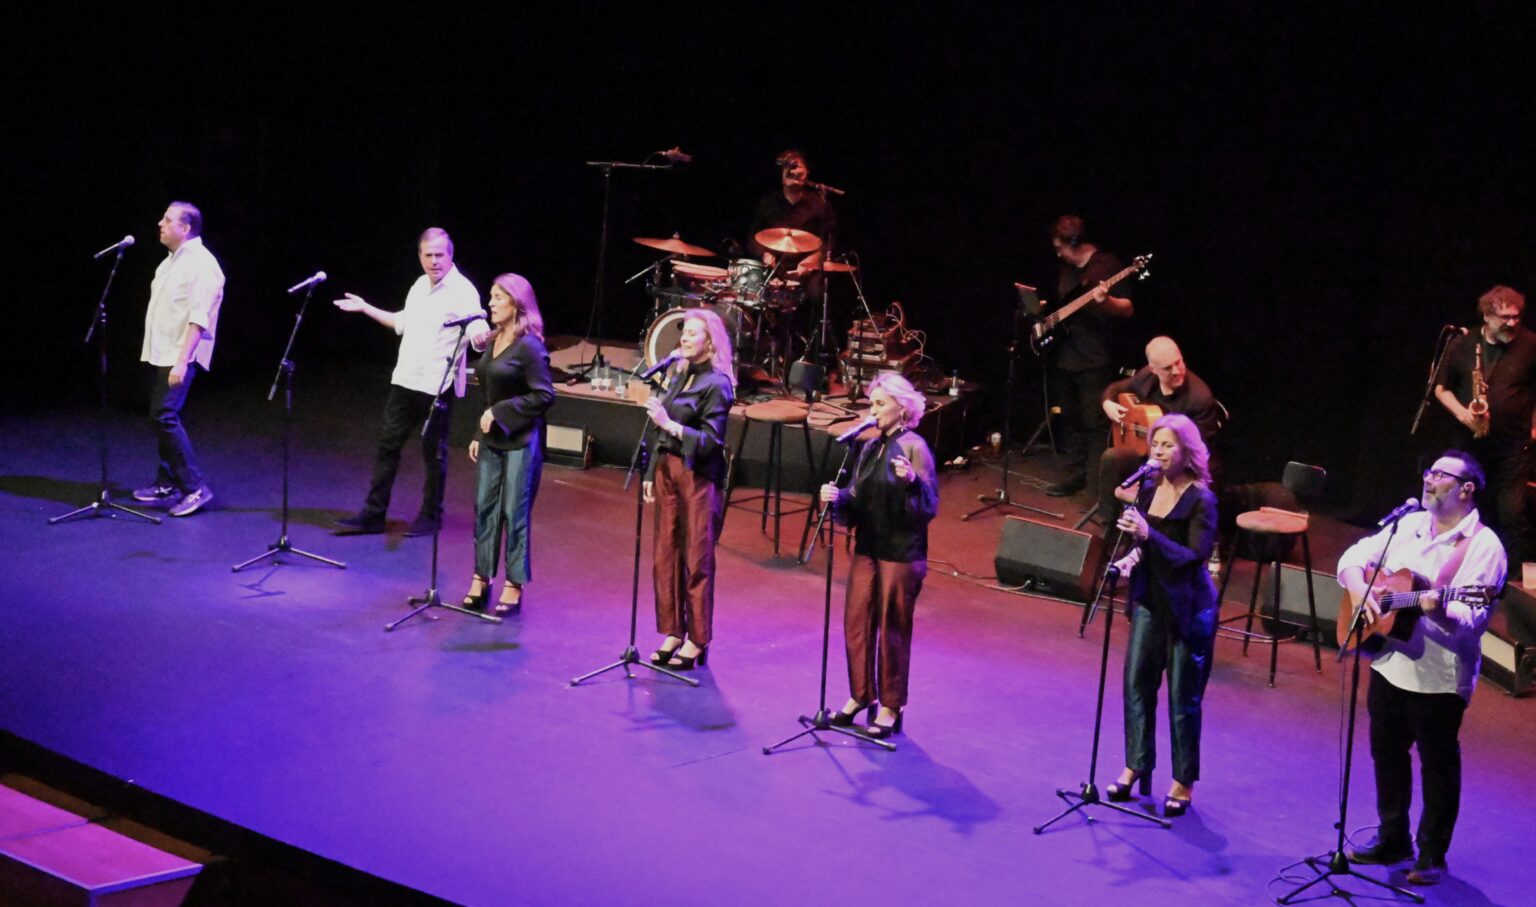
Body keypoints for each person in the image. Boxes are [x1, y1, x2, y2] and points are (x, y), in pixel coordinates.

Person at [1338, 450, 1504, 886]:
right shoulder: (1408, 523)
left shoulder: (1485, 547)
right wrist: (1360, 592)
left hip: (1438, 677)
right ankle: (1394, 837)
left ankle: (1432, 852)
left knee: (1437, 763)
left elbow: (1472, 622)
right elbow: (1352, 559)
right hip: (1389, 661)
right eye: (1428, 472)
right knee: (1386, 753)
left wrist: (1439, 611)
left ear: (1466, 490)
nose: (1429, 480)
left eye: (1440, 475)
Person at [332, 228, 488, 537]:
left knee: (434, 455)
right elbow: (401, 323)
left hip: (435, 388)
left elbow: (476, 328)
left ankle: (431, 516)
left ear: (451, 254)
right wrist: (365, 308)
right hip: (404, 381)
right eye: (428, 255)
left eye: (439, 255)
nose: (434, 262)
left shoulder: (463, 290)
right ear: (419, 257)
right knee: (387, 446)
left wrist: (481, 338)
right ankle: (374, 514)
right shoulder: (419, 286)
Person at [1104, 413, 1218, 817]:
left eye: (1168, 445)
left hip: (1188, 608)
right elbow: (1148, 547)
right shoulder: (1148, 489)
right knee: (1136, 683)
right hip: (1151, 600)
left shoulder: (1201, 499)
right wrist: (1131, 557)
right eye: (1156, 444)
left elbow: (1193, 558)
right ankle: (1137, 764)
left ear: (1187, 451)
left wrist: (1149, 537)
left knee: (1182, 697)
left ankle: (1183, 781)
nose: (1159, 451)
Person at [819, 372, 940, 739]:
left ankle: (890, 705)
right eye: (871, 404)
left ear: (902, 408)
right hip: (869, 546)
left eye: (880, 404)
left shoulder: (915, 446)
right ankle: (861, 694)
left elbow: (929, 505)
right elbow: (857, 496)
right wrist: (837, 497)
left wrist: (912, 483)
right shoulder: (869, 447)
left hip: (900, 552)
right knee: (856, 621)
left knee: (892, 628)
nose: (873, 411)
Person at [644, 309, 736, 671]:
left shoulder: (718, 383)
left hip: (697, 476)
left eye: (693, 333)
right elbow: (658, 430)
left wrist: (672, 426)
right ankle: (672, 631)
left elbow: (712, 440)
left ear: (710, 343)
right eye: (684, 333)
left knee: (696, 559)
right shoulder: (679, 374)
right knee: (665, 554)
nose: (684, 338)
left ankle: (698, 638)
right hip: (668, 471)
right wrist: (651, 470)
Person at [461, 274, 555, 616]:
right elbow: (489, 393)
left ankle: (514, 583)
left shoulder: (530, 346)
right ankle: (480, 576)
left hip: (520, 440)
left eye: (498, 297)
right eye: (491, 296)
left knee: (514, 512)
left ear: (516, 302)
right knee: (484, 508)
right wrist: (478, 431)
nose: (491, 303)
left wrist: (500, 413)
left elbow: (544, 395)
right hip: (491, 439)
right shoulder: (495, 339)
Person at [133, 201, 224, 517]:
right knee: (160, 416)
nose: (160, 223)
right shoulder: (169, 263)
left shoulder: (201, 264)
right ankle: (166, 481)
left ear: (185, 228)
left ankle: (195, 487)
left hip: (179, 354)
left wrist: (182, 361)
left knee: (164, 416)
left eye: (167, 220)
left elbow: (199, 317)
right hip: (162, 352)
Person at [1434, 285, 1536, 565]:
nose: (1513, 323)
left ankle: (1514, 578)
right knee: (1461, 504)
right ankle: (1453, 564)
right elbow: (1441, 388)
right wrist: (1463, 415)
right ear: (1487, 316)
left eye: (1516, 317)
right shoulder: (1464, 343)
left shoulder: (1530, 345)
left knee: (1511, 511)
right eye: (1505, 317)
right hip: (1470, 441)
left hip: (1513, 445)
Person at [1043, 214, 1135, 499]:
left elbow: (1127, 308)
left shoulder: (1108, 266)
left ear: (1076, 242)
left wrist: (1105, 300)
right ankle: (1075, 476)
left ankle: (1097, 488)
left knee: (1094, 424)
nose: (1058, 253)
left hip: (1094, 359)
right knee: (1069, 419)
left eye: (1061, 248)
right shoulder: (1066, 269)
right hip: (1065, 355)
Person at [1096, 336, 1222, 523]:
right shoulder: (1146, 376)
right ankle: (1108, 529)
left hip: (1177, 463)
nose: (1177, 371)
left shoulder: (1199, 398)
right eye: (1167, 368)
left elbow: (1199, 445)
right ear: (1153, 369)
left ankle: (1147, 538)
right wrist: (1108, 403)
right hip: (1145, 455)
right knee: (1111, 458)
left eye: (1178, 362)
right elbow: (1115, 388)